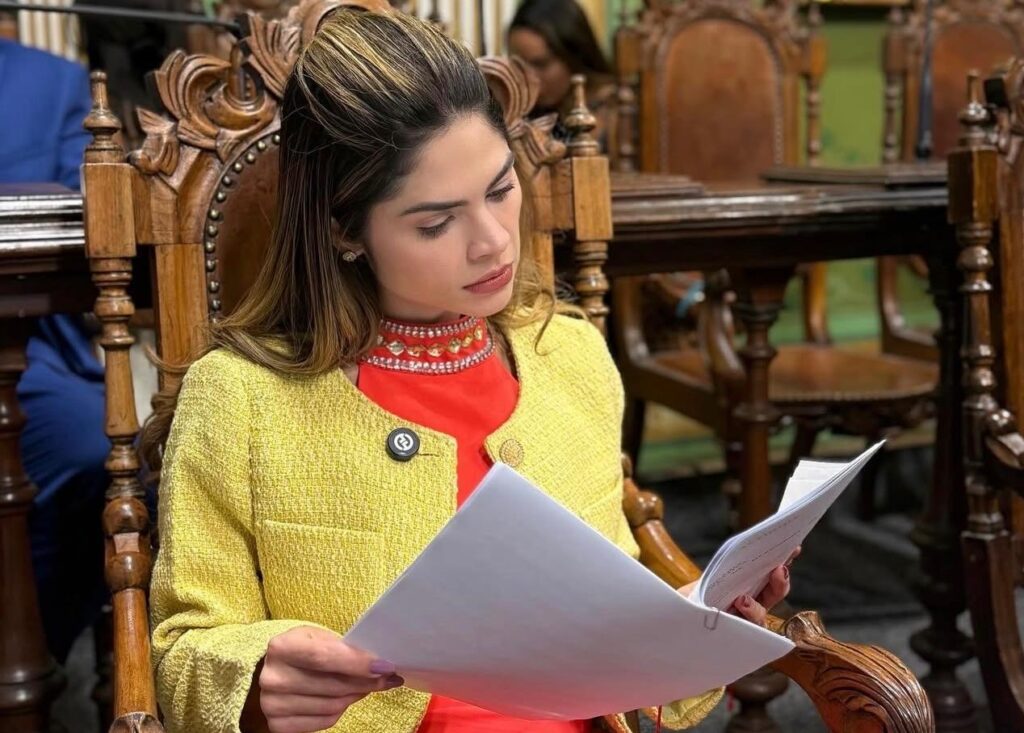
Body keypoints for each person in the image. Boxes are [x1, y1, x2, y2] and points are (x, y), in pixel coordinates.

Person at [144, 6, 792, 733]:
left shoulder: (568, 356)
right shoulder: (240, 398)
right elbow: (182, 655)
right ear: (343, 229)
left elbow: (612, 610)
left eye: (500, 189)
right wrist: (258, 681)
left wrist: (705, 624)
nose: (492, 242)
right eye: (436, 222)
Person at [0, 36, 111, 663]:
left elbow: (96, 221)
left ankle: (31, 657)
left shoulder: (52, 82)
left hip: (24, 348)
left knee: (92, 449)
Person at [507, 0, 615, 141]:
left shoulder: (618, 108)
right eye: (517, 65)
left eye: (541, 64)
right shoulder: (522, 114)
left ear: (574, 56)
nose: (527, 78)